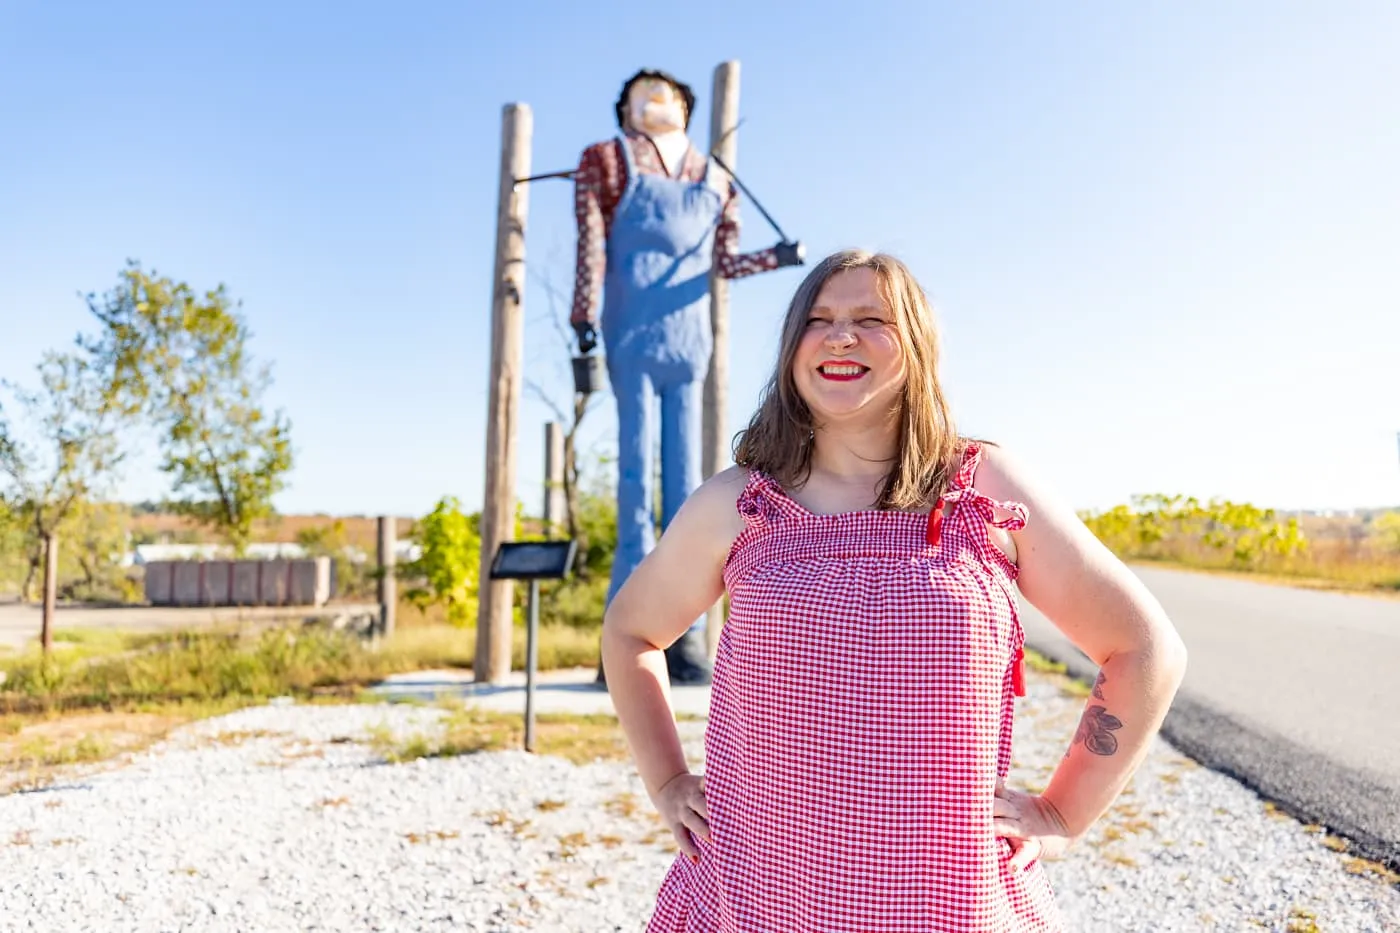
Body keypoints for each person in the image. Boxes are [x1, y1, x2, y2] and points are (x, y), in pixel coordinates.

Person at [601, 249, 1190, 931]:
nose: (840, 334)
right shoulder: (738, 503)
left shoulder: (984, 486)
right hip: (760, 896)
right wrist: (670, 783)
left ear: (916, 345)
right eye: (818, 319)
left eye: (870, 318)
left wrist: (1062, 813)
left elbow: (1146, 648)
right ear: (794, 352)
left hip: (949, 901)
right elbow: (630, 632)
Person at [572, 68, 805, 686]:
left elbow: (724, 260)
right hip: (630, 335)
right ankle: (623, 637)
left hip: (688, 340)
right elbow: (590, 247)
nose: (652, 99)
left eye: (665, 92)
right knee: (631, 486)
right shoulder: (608, 161)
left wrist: (777, 259)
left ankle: (687, 640)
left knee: (692, 490)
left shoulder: (715, 177)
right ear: (623, 109)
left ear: (686, 106)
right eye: (638, 93)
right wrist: (582, 318)